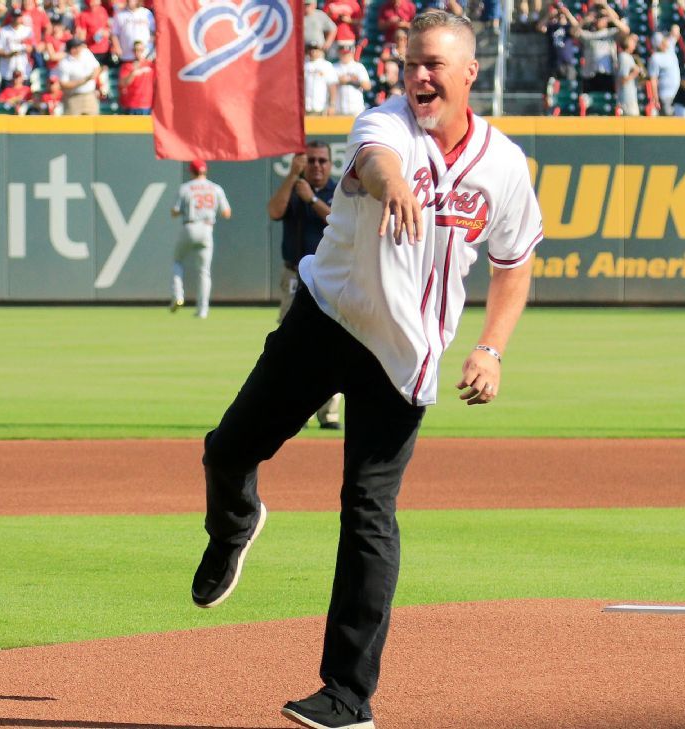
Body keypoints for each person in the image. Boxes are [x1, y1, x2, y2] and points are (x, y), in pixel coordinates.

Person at [190, 11, 542, 729]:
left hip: (405, 353)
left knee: (368, 511)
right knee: (227, 449)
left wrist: (491, 348)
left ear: (469, 74)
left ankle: (347, 696)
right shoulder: (383, 124)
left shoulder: (504, 165)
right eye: (411, 62)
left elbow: (515, 264)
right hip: (328, 318)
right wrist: (394, 187)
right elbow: (379, 162)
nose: (419, 75)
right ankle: (234, 523)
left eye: (435, 64)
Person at [267, 142, 344, 430]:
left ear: (330, 163)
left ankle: (329, 412)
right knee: (291, 344)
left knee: (333, 343)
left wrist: (311, 200)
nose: (316, 166)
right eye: (310, 161)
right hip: (293, 275)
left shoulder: (340, 191)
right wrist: (291, 177)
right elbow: (274, 211)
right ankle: (298, 411)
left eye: (322, 161)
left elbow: (338, 222)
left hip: (331, 277)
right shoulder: (294, 188)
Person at [169, 160, 231, 319]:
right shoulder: (215, 188)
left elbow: (174, 212)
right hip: (206, 228)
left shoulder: (185, 188)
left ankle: (178, 295)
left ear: (191, 171)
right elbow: (226, 213)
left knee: (177, 261)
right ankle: (203, 310)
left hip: (189, 226)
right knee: (204, 271)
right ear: (205, 171)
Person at [577, 2, 630, 94]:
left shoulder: (611, 33)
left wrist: (610, 15)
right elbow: (574, 32)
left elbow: (625, 30)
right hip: (590, 74)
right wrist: (584, 21)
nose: (599, 20)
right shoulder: (588, 34)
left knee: (608, 101)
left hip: (607, 74)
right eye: (598, 18)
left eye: (601, 18)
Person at [55, 37, 102, 115]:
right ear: (73, 49)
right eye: (79, 46)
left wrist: (94, 75)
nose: (82, 47)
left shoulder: (86, 53)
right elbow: (64, 84)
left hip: (90, 95)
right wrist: (84, 80)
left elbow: (97, 67)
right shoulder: (64, 63)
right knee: (73, 126)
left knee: (92, 124)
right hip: (73, 98)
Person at [333, 40, 372, 116]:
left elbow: (367, 86)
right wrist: (340, 80)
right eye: (343, 53)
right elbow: (329, 84)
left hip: (356, 109)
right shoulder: (334, 67)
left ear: (352, 53)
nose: (345, 55)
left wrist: (350, 80)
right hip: (339, 109)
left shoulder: (358, 67)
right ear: (339, 53)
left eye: (347, 53)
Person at [647, 31, 681, 115]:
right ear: (659, 44)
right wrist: (656, 98)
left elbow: (675, 30)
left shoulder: (670, 49)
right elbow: (653, 79)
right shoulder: (655, 57)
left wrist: (672, 31)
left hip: (677, 95)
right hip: (665, 96)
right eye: (663, 40)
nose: (666, 42)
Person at [117, 40, 154, 115]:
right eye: (136, 50)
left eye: (140, 50)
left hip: (147, 105)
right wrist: (133, 73)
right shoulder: (126, 66)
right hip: (131, 104)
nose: (138, 52)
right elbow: (123, 83)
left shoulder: (151, 65)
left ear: (144, 50)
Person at [304, 41, 339, 115]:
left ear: (321, 50)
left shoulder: (326, 65)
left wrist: (332, 105)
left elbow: (332, 86)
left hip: (321, 107)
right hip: (305, 107)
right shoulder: (303, 64)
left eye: (316, 49)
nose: (313, 51)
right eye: (310, 49)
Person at [616, 33, 641, 116]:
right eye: (632, 41)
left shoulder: (629, 57)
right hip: (626, 98)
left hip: (631, 96)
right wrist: (634, 73)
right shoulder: (624, 56)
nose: (634, 44)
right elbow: (622, 80)